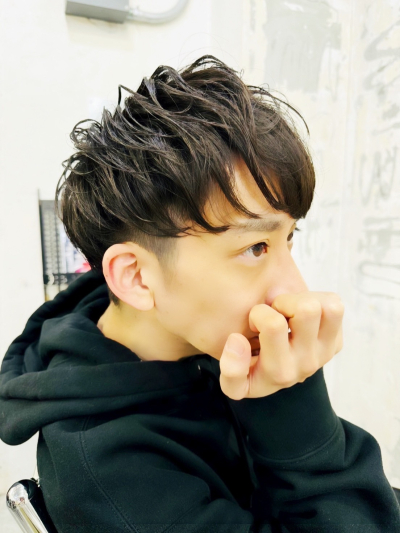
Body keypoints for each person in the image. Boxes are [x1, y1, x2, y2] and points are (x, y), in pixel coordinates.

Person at [0, 55, 399, 533]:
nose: (295, 288)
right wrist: (296, 407)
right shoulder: (115, 481)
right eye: (255, 247)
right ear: (137, 278)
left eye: (288, 238)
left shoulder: (198, 332)